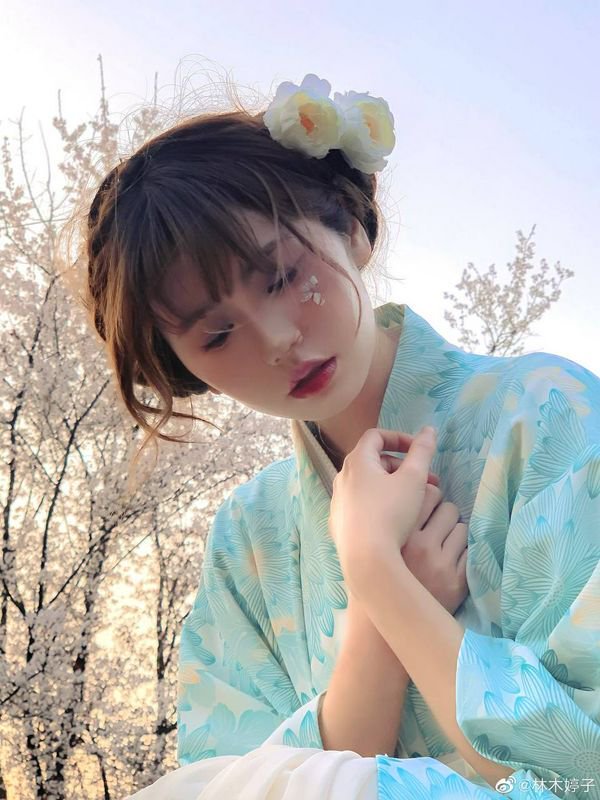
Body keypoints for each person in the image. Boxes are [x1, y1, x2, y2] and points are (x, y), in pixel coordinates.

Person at [84, 74, 599, 799]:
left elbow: (583, 765)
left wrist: (379, 574)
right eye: (218, 334)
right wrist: (377, 607)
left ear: (350, 227)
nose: (277, 338)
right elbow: (233, 785)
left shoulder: (546, 411)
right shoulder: (247, 539)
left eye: (282, 276)